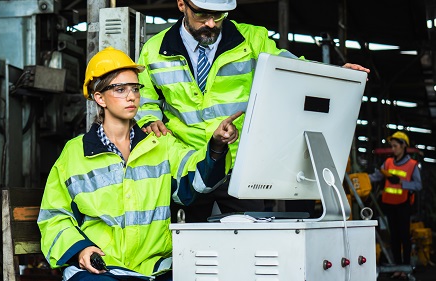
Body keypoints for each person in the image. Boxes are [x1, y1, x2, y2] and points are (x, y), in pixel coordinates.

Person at [136, 0, 371, 222]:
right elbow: (144, 94)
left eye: (218, 15)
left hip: (241, 168)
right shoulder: (155, 49)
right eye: (202, 14)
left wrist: (335, 74)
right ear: (181, 4)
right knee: (188, 248)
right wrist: (149, 118)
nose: (211, 23)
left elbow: (293, 69)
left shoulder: (252, 40)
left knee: (252, 246)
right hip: (188, 166)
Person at [37, 47, 241, 281]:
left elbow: (198, 182)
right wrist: (81, 249)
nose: (132, 96)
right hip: (100, 268)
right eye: (120, 89)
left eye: (135, 88)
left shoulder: (161, 145)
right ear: (99, 97)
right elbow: (54, 215)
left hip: (154, 268)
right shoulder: (74, 153)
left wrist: (216, 146)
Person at [369, 131, 422, 280]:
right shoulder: (387, 163)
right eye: (391, 146)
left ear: (403, 146)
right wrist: (361, 178)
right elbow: (376, 176)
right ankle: (397, 268)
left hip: (403, 205)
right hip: (389, 204)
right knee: (394, 238)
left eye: (395, 146)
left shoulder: (412, 165)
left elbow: (418, 185)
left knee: (404, 237)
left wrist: (401, 182)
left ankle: (405, 268)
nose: (393, 149)